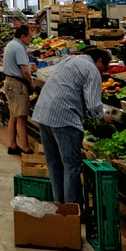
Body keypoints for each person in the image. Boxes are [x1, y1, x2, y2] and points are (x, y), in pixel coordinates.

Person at [32, 48, 111, 204]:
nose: (104, 72)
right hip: (64, 119)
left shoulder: (68, 60)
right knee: (71, 167)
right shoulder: (92, 70)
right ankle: (72, 210)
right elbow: (93, 103)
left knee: (54, 164)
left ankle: (60, 206)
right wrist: (102, 116)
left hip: (43, 114)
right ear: (100, 61)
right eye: (105, 68)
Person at [2, 24, 37, 155]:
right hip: (17, 85)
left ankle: (12, 145)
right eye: (30, 37)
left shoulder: (11, 44)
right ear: (23, 36)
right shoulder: (19, 48)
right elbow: (24, 71)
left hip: (10, 83)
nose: (31, 40)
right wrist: (31, 83)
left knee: (13, 116)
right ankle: (25, 147)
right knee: (21, 117)